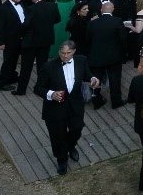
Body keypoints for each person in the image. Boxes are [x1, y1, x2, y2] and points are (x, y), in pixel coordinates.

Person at [34, 40, 98, 175]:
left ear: (74, 52)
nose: (65, 56)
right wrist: (52, 94)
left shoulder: (81, 60)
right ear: (59, 52)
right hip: (55, 108)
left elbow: (87, 74)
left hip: (75, 104)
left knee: (77, 128)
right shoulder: (49, 67)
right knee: (57, 135)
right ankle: (61, 160)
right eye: (63, 53)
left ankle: (70, 146)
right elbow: (38, 88)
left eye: (68, 53)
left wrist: (93, 78)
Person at [16, 0, 59, 95]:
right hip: (46, 40)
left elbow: (26, 25)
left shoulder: (31, 9)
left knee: (26, 67)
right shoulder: (53, 6)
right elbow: (57, 19)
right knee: (43, 66)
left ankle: (21, 90)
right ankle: (41, 88)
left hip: (31, 42)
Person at [86, 0, 127, 108]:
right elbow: (123, 39)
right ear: (113, 9)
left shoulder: (92, 23)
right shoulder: (117, 21)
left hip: (96, 56)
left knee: (96, 79)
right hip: (114, 57)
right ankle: (116, 101)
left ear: (101, 10)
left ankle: (96, 99)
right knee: (115, 79)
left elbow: (87, 40)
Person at [0, 0, 28, 91]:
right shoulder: (3, 8)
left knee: (14, 61)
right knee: (8, 62)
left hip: (21, 38)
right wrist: (0, 42)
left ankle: (12, 77)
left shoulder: (21, 4)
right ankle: (2, 83)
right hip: (10, 40)